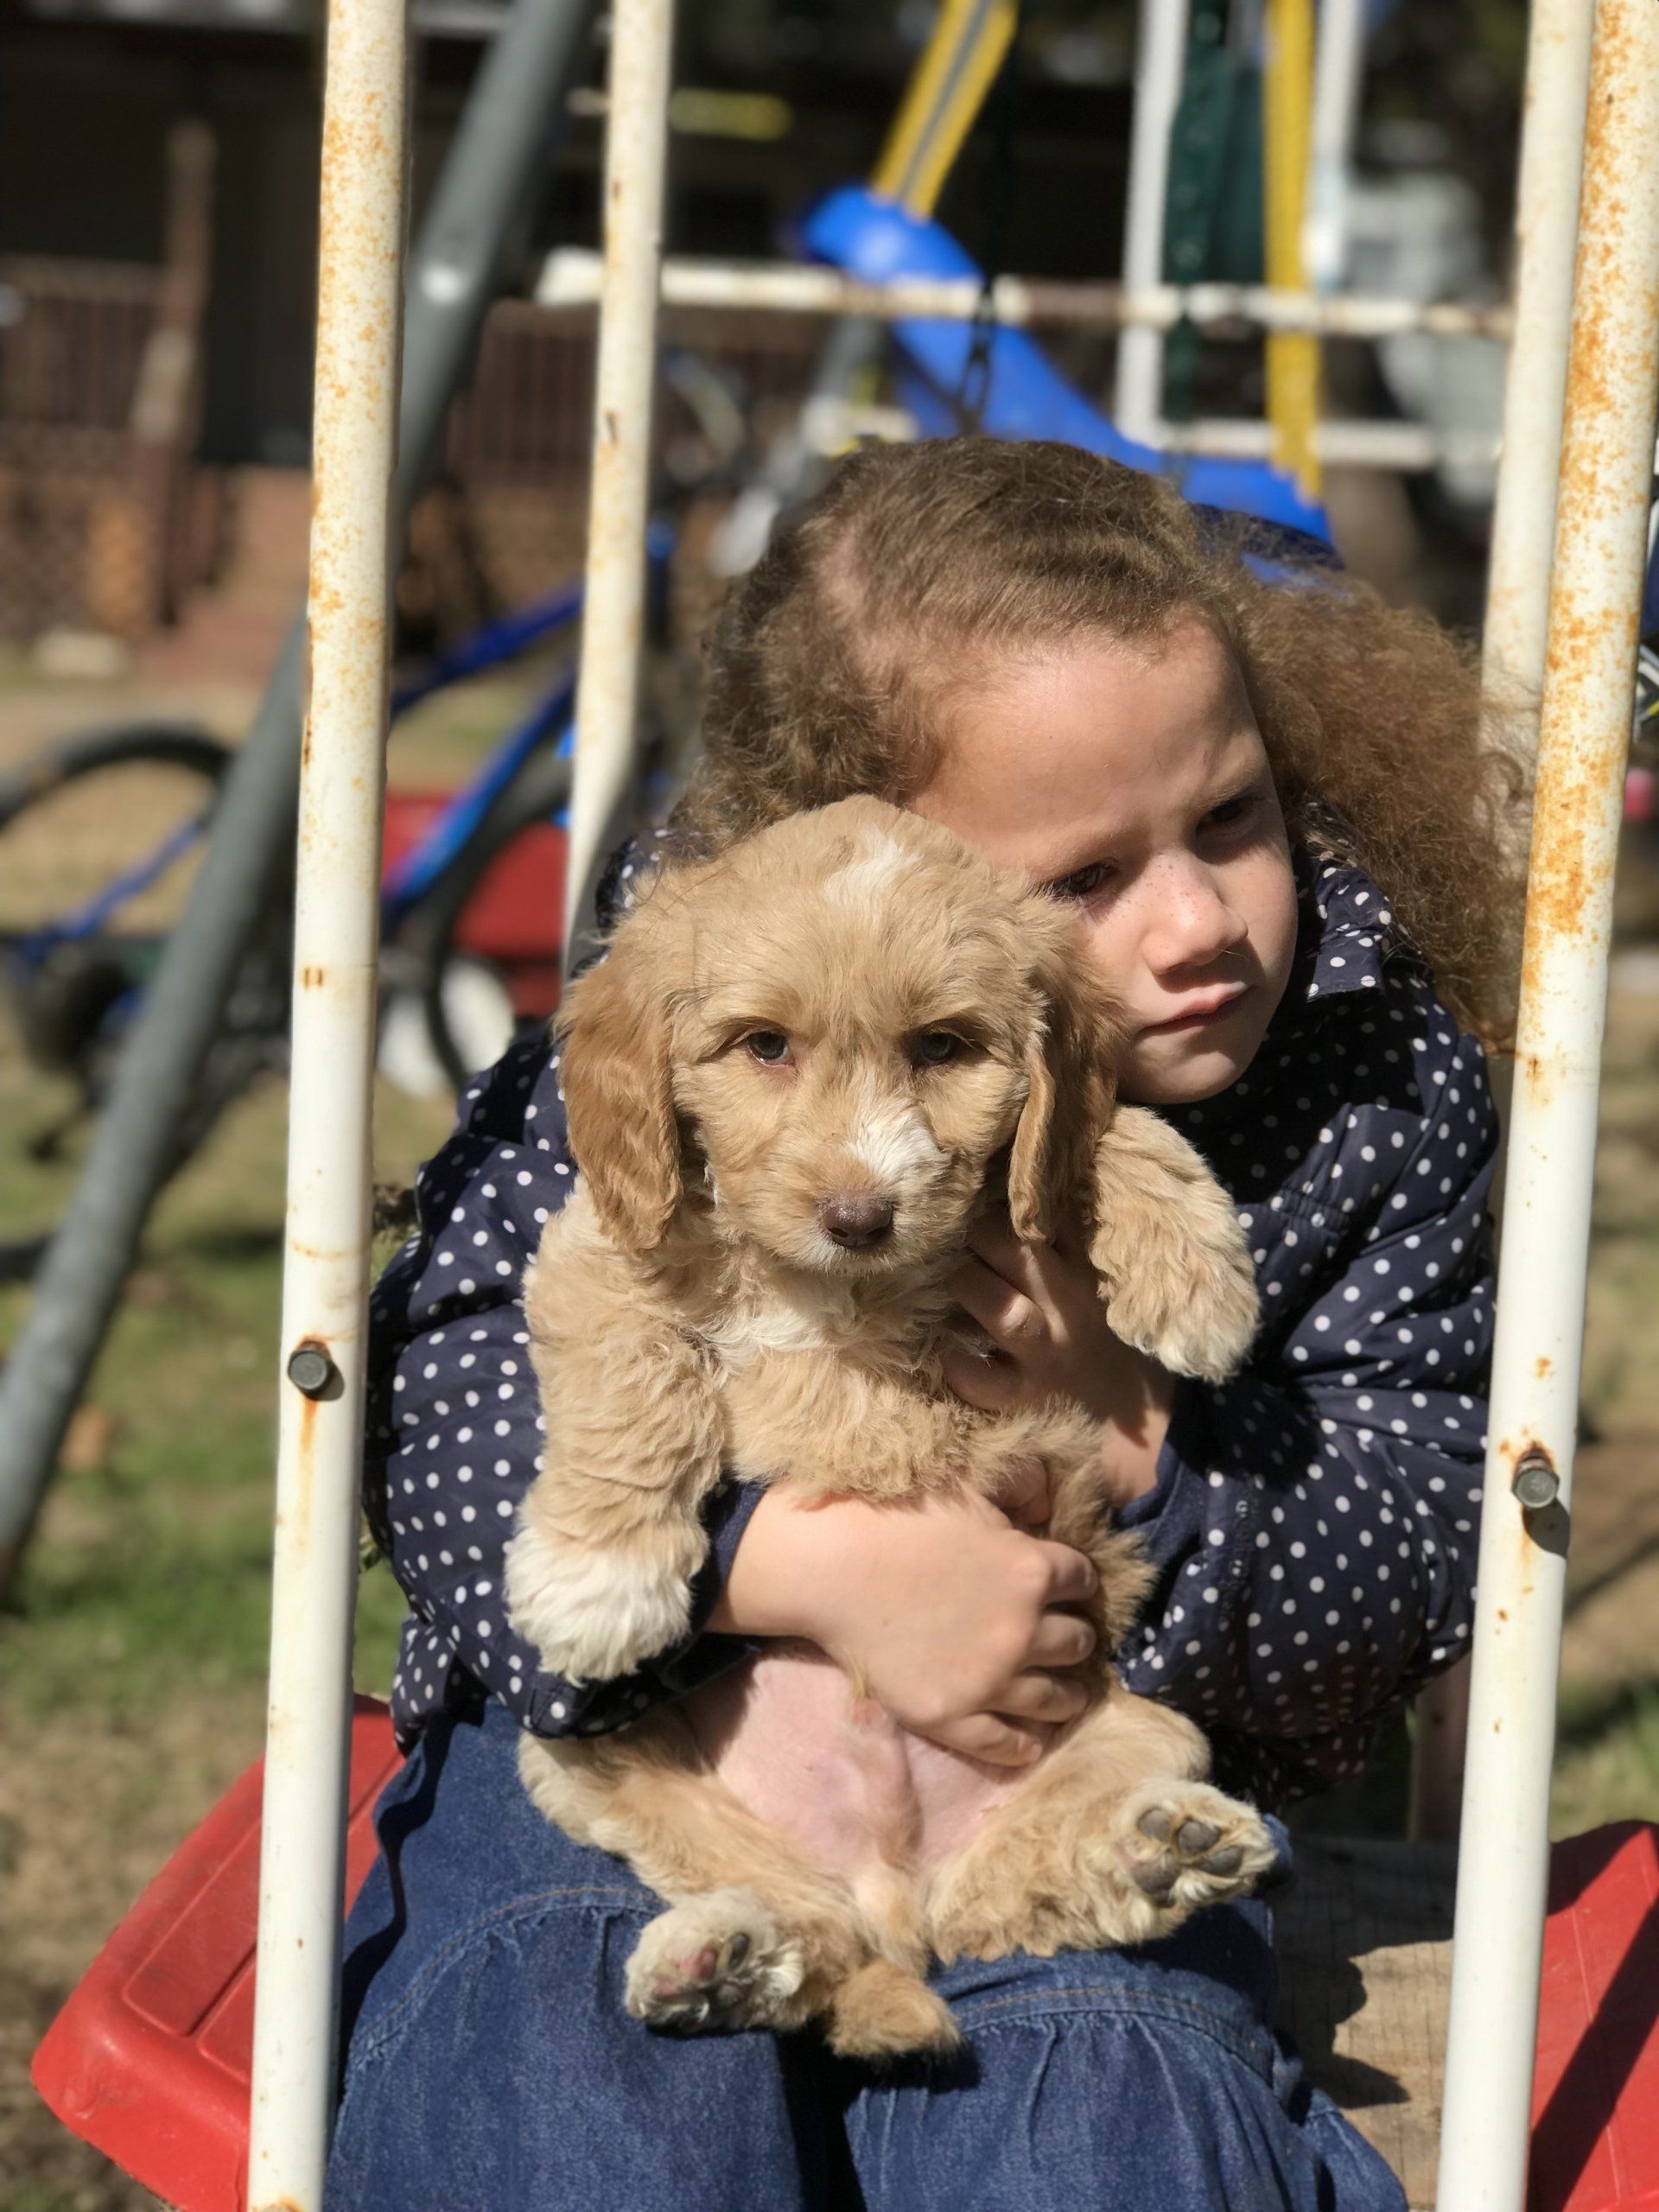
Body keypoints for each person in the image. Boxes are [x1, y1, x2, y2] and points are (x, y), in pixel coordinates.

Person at [326, 439, 1525, 2210]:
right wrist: (780, 1564)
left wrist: (1134, 1430)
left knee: (1108, 2113)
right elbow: (444, 1393)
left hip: (1065, 1790)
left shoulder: (1374, 1068)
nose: (1194, 920)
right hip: (643, 1766)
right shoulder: (704, 989)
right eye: (1083, 876)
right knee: (572, 2065)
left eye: (1233, 818)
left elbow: (1420, 1538)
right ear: (867, 863)